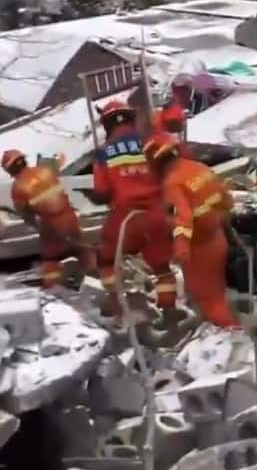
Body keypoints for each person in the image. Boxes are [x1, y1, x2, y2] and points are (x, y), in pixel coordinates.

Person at [143, 131, 239, 328]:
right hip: (217, 238)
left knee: (208, 299)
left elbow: (182, 217)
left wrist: (181, 247)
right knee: (216, 292)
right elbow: (225, 197)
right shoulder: (198, 168)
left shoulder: (173, 183)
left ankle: (230, 335)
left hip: (200, 249)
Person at [92, 100, 177, 318]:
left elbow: (102, 192)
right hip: (157, 214)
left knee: (106, 258)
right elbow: (172, 171)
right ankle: (169, 313)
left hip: (125, 218)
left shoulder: (102, 154)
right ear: (131, 118)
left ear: (107, 125)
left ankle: (116, 304)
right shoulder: (152, 142)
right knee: (162, 267)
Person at [2, 150, 95, 288]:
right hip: (70, 218)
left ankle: (53, 288)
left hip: (51, 225)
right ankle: (96, 276)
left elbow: (26, 214)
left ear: (9, 169)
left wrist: (35, 225)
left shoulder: (18, 188)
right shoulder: (45, 171)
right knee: (81, 249)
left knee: (51, 258)